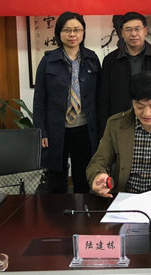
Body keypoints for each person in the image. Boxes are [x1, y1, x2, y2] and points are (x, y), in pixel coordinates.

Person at [33, 11, 101, 193]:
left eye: (77, 30)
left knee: (83, 179)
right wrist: (41, 131)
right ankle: (58, 211)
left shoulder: (92, 59)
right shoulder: (48, 61)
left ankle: (84, 211)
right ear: (59, 33)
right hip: (56, 130)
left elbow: (98, 97)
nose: (72, 34)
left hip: (84, 129)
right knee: (56, 180)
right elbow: (39, 100)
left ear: (83, 32)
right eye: (67, 30)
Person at [98, 11, 151, 133]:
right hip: (121, 122)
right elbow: (104, 97)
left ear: (145, 31)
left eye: (137, 29)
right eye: (128, 30)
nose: (133, 34)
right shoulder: (110, 60)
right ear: (122, 33)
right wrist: (104, 129)